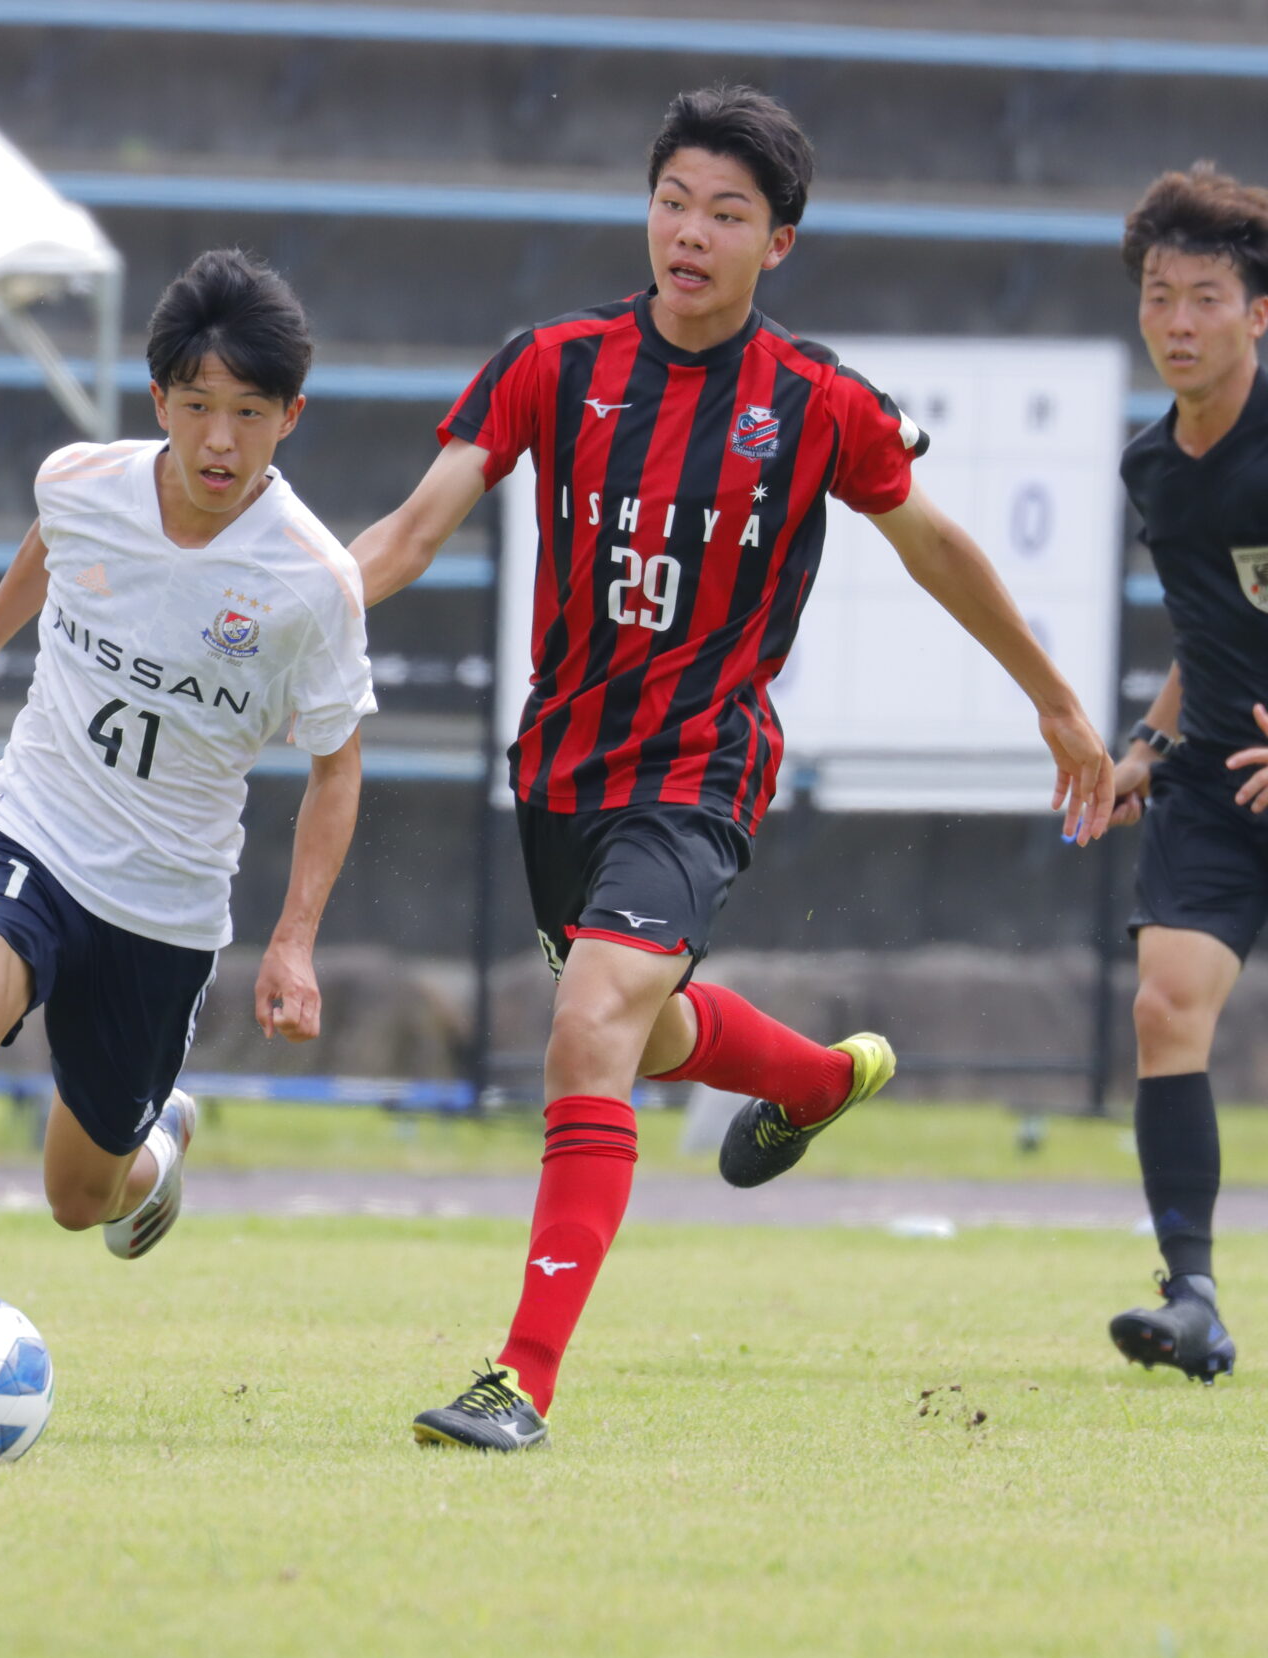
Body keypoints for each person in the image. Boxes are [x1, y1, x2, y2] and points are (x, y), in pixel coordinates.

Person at [351, 85, 1114, 1451]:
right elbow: (408, 532)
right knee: (639, 1032)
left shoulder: (815, 400)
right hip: (562, 772)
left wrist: (1058, 703)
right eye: (673, 202)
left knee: (588, 1023)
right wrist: (290, 619)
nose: (690, 233)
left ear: (783, 244)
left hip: (700, 766)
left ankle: (519, 1376)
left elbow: (935, 546)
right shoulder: (552, 361)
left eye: (728, 213)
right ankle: (814, 1079)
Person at [0, 250, 375, 1443]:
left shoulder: (311, 583)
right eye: (198, 407)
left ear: (289, 419)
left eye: (250, 416)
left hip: (162, 905)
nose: (221, 442)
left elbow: (336, 762)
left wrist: (296, 942)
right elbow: (50, 545)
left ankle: (152, 1148)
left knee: (79, 1198)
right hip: (32, 826)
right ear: (157, 398)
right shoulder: (81, 479)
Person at [1102, 164, 1268, 1384]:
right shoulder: (1151, 468)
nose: (1177, 322)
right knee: (1167, 1002)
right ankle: (1194, 1298)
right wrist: (1147, 750)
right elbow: (1202, 631)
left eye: (1205, 297)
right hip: (1215, 777)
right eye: (1161, 295)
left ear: (1256, 314)